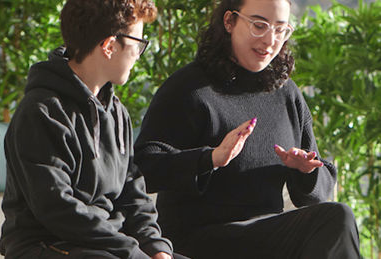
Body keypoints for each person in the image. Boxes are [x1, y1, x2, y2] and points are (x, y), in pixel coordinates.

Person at [132, 0, 362, 257]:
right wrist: (210, 159)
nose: (270, 40)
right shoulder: (189, 89)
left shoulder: (287, 94)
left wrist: (305, 171)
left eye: (280, 29)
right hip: (198, 240)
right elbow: (145, 166)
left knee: (337, 218)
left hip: (263, 237)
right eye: (259, 25)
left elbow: (318, 196)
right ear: (229, 21)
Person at [0, 1, 184, 258]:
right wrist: (131, 251)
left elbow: (133, 193)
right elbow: (57, 208)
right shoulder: (41, 112)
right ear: (109, 46)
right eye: (138, 43)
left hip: (107, 246)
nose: (139, 54)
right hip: (46, 245)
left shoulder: (117, 113)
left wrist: (154, 247)